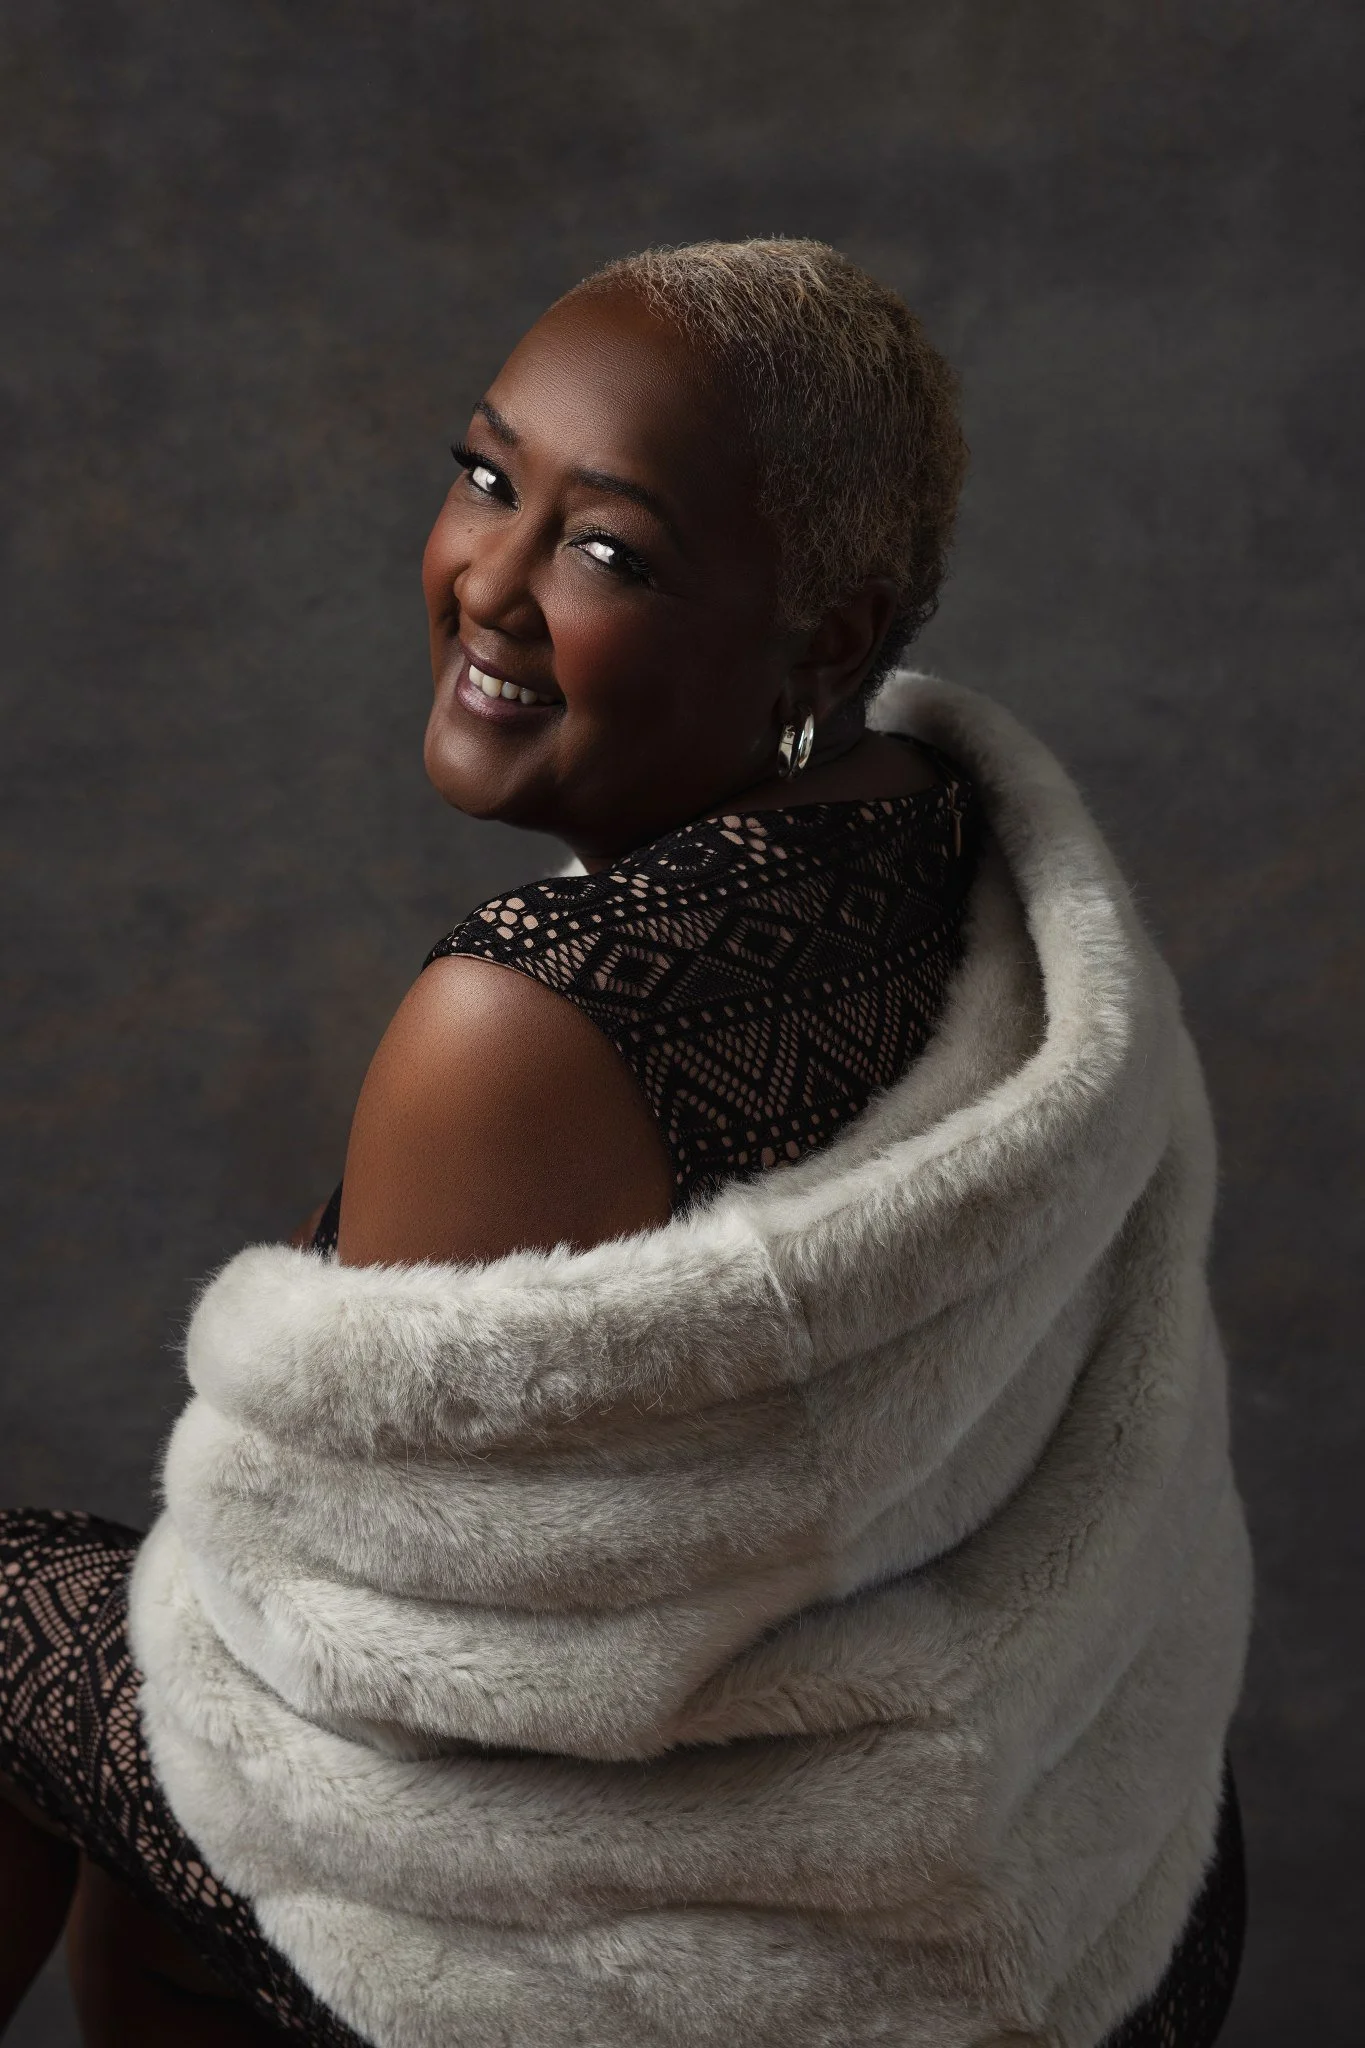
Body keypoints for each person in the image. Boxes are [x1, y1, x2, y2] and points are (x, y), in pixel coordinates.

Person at [0, 240, 1248, 2046]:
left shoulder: (528, 1022)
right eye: (487, 478)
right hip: (1076, 1883)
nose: (489, 585)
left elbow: (361, 1684)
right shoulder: (965, 864)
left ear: (821, 632)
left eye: (609, 551)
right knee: (133, 1780)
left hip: (749, 1969)